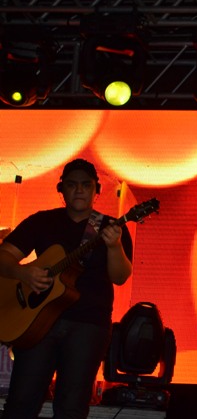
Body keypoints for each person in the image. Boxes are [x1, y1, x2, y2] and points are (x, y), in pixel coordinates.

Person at [0, 158, 133, 419]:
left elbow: (120, 277)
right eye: (72, 185)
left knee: (72, 406)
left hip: (88, 324)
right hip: (37, 322)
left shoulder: (111, 228)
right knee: (21, 402)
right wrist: (24, 273)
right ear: (61, 190)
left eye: (86, 185)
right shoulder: (41, 222)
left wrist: (114, 246)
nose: (79, 190)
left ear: (96, 190)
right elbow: (3, 257)